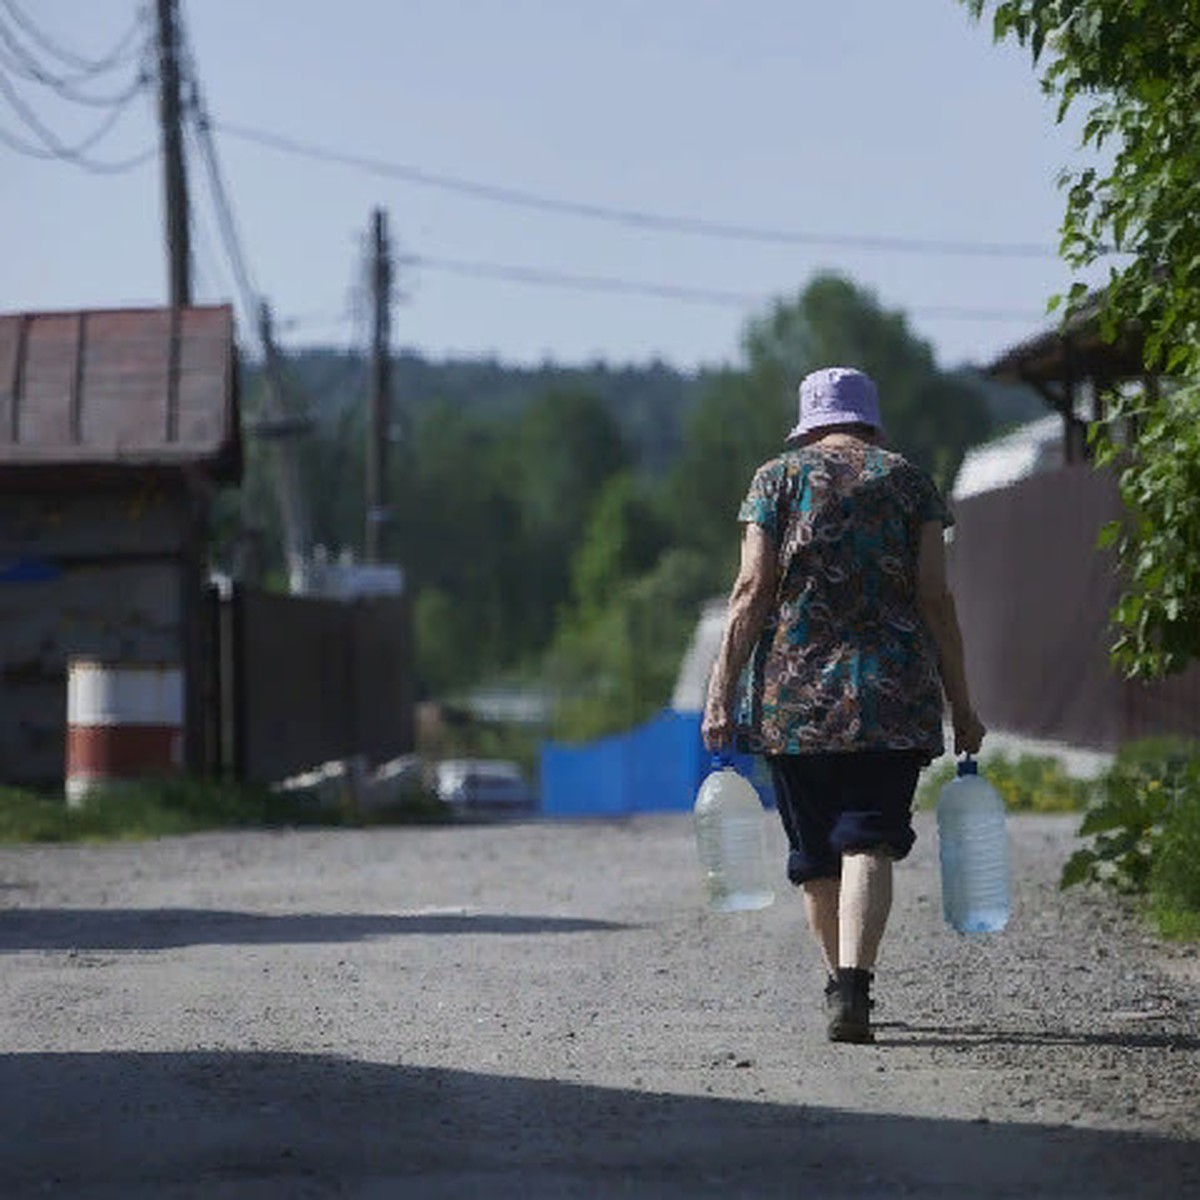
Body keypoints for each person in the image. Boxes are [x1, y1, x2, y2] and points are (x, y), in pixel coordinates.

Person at [701, 365, 985, 1045]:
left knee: (816, 856)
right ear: (868, 419)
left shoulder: (777, 480)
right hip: (893, 694)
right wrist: (963, 703)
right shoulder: (910, 481)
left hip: (794, 701)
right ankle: (854, 986)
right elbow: (935, 599)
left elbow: (750, 589)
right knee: (870, 841)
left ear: (811, 422)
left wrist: (721, 695)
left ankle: (841, 987)